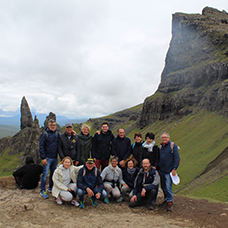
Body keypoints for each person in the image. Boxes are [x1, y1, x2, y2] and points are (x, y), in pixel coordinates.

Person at [158, 132, 180, 212]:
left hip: (169, 171)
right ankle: (166, 199)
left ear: (169, 138)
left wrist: (174, 169)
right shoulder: (161, 147)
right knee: (163, 186)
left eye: (165, 137)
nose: (164, 139)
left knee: (168, 186)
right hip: (162, 170)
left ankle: (170, 201)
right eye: (163, 137)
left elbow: (177, 158)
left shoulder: (173, 146)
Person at [39, 119, 59, 199]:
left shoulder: (57, 134)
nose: (53, 126)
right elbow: (41, 146)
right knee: (45, 174)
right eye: (51, 125)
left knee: (53, 174)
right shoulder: (45, 134)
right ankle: (42, 190)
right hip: (47, 158)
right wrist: (43, 158)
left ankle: (50, 187)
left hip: (54, 158)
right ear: (48, 126)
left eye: (54, 125)